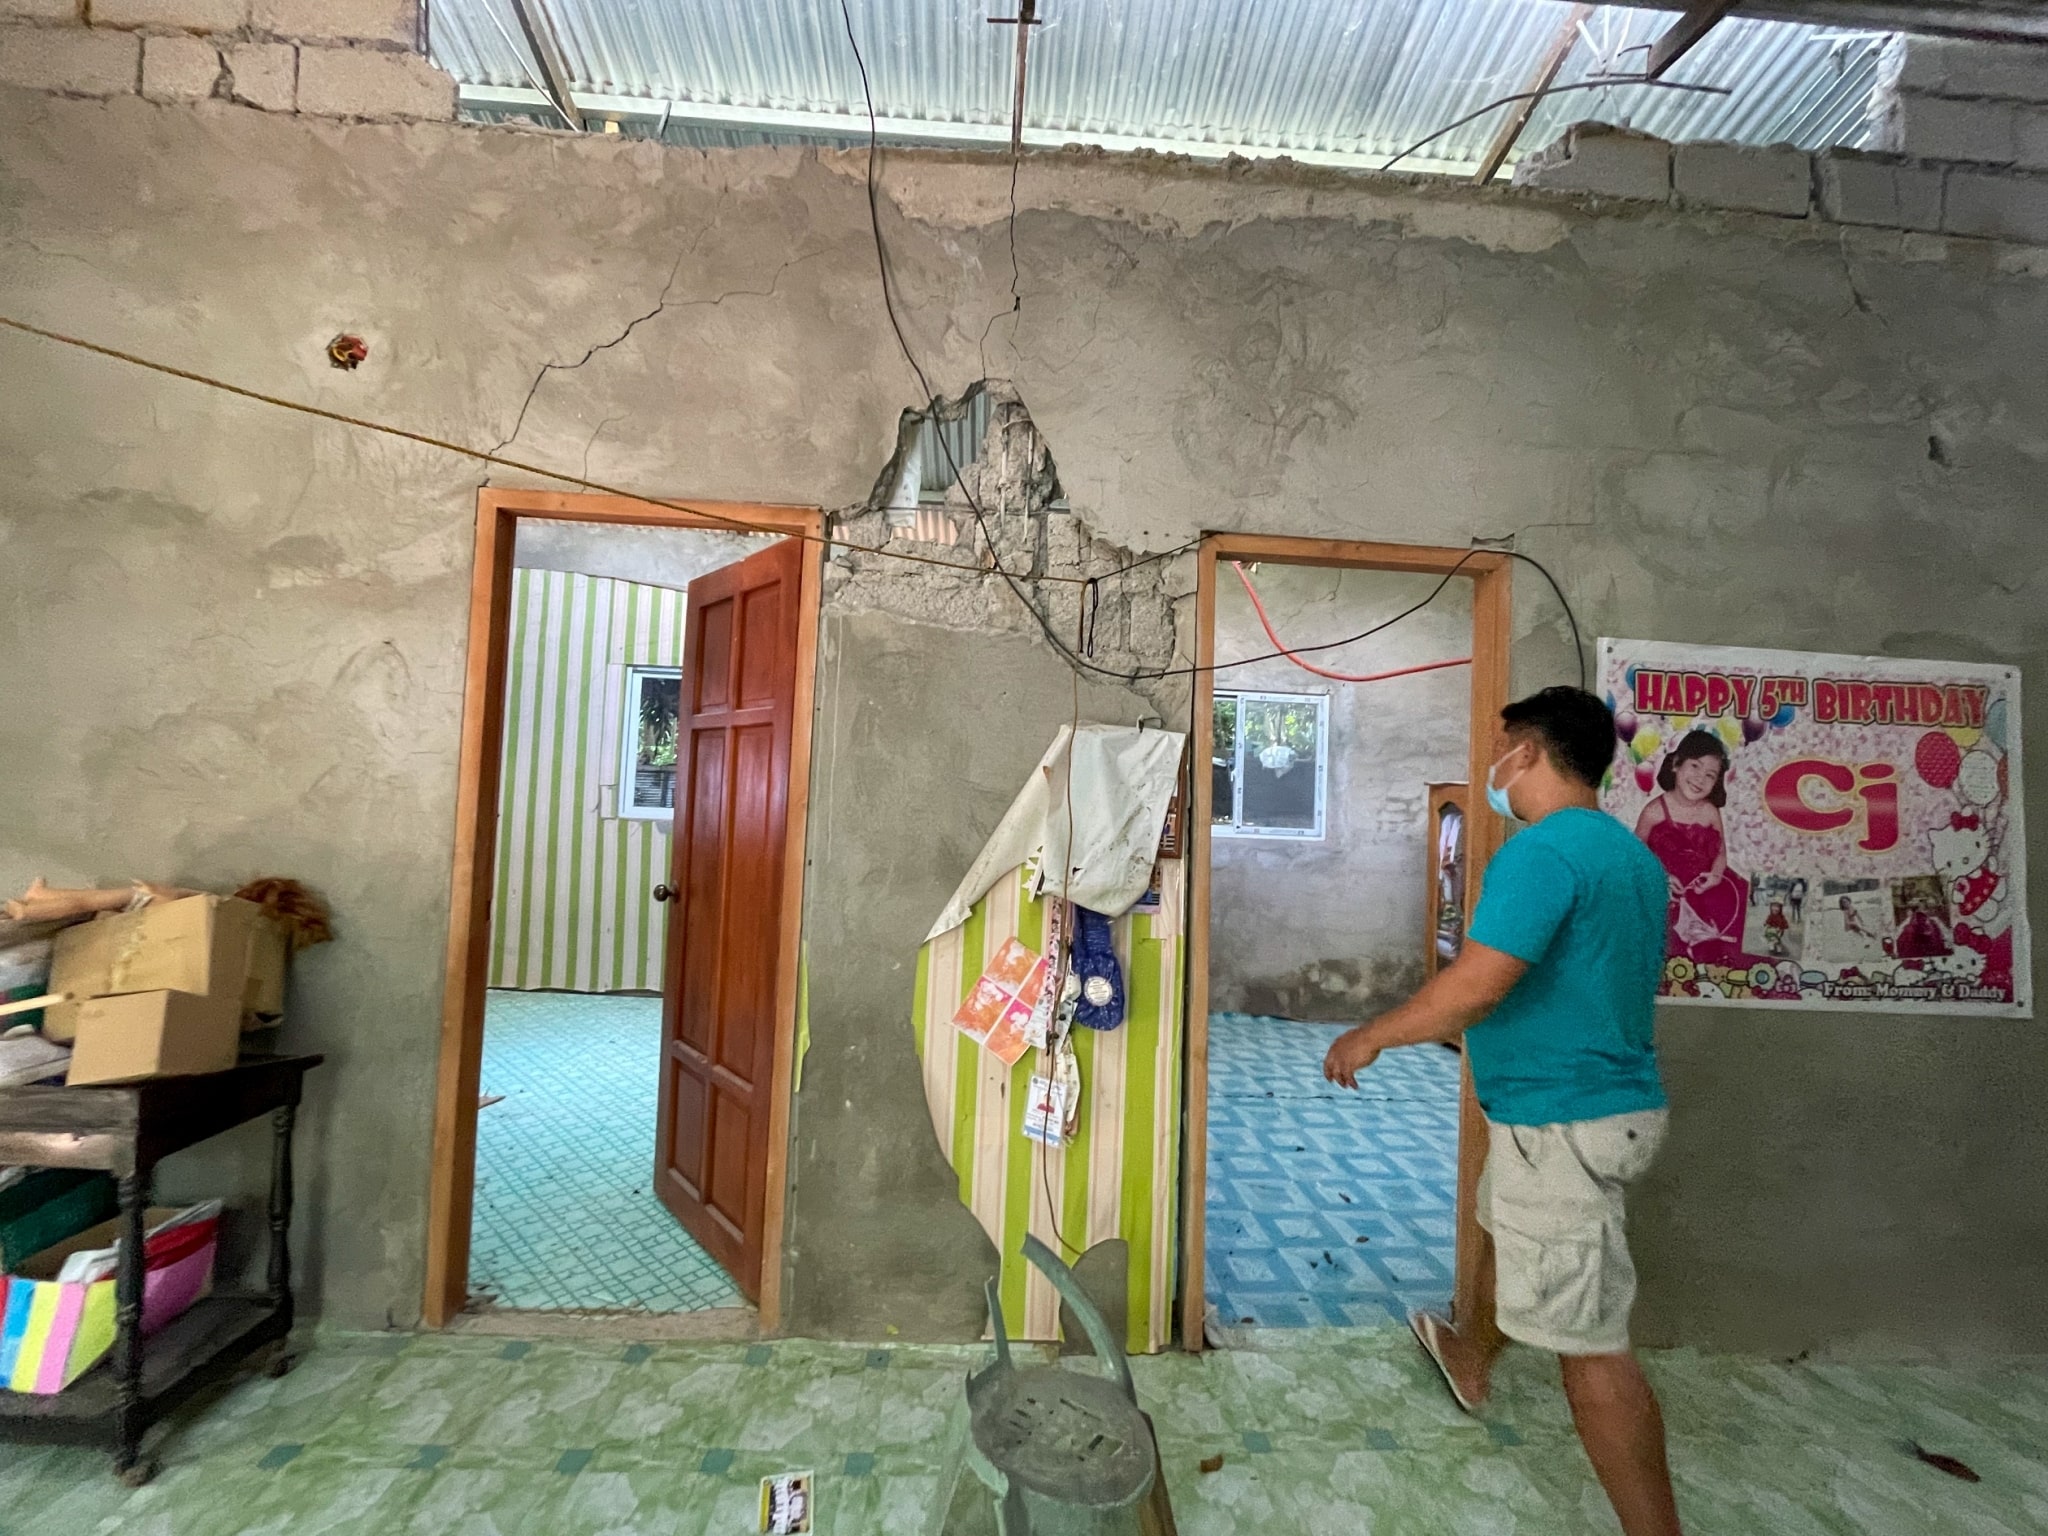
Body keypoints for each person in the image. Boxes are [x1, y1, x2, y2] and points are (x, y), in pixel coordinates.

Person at [1323, 686, 1682, 1536]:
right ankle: (1470, 1355)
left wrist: (1371, 1036)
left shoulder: (1541, 853)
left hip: (1566, 1123)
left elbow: (1476, 986)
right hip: (1577, 1111)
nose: (1493, 767)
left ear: (1526, 754)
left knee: (1590, 1347)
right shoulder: (1631, 857)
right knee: (1493, 1221)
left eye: (1500, 749)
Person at [1634, 730, 1749, 969]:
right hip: (1665, 892)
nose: (1700, 779)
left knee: (1726, 942)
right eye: (1695, 766)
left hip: (1706, 891)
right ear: (1676, 764)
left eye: (1710, 775)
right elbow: (1635, 856)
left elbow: (1720, 853)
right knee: (1667, 951)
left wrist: (1716, 875)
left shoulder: (1709, 811)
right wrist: (1660, 877)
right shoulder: (1654, 811)